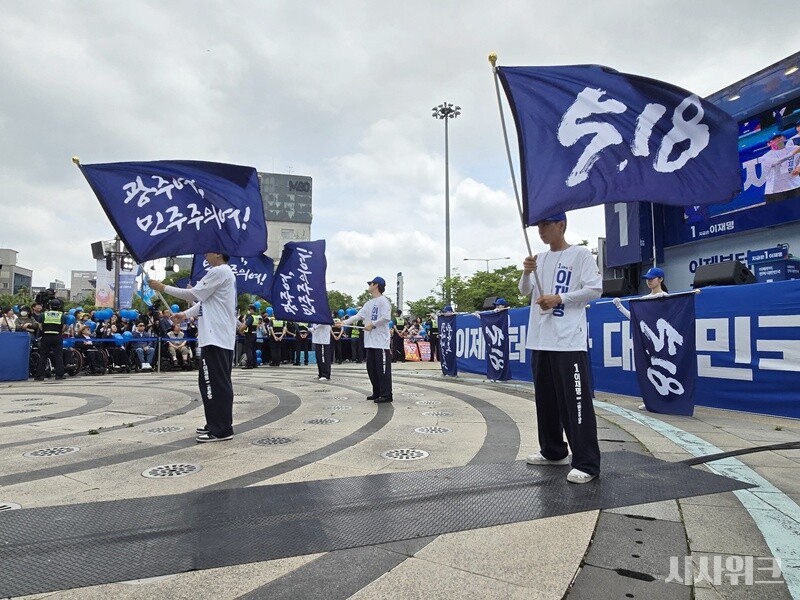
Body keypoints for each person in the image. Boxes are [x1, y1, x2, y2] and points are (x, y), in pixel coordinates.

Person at [518, 212, 603, 484]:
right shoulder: (539, 259)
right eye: (538, 226)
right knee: (546, 400)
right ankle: (553, 451)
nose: (541, 230)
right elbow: (523, 291)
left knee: (574, 401)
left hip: (568, 341)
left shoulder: (580, 256)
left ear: (561, 225)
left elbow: (594, 289)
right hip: (541, 339)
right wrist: (526, 272)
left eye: (546, 225)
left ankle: (587, 463)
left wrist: (560, 298)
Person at [150, 252, 237, 443]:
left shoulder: (220, 271)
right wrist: (185, 314)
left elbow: (193, 294)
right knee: (208, 383)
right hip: (214, 337)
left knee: (215, 384)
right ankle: (214, 422)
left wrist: (163, 287)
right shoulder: (222, 272)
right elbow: (205, 302)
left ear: (218, 253)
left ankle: (221, 429)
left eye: (208, 251)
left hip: (216, 338)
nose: (205, 254)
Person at [612, 266, 669, 411]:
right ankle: (650, 400)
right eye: (647, 279)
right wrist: (620, 307)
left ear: (660, 279)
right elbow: (635, 318)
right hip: (647, 339)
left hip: (662, 339)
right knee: (649, 369)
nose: (649, 281)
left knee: (664, 369)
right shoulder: (644, 299)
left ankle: (667, 400)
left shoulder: (666, 298)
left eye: (652, 278)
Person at [341, 276, 393, 402]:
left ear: (376, 285)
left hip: (381, 343)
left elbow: (386, 317)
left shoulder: (383, 301)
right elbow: (359, 315)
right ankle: (377, 392)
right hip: (370, 342)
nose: (369, 286)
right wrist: (344, 322)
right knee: (372, 369)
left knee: (382, 370)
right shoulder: (368, 303)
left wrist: (372, 324)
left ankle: (386, 394)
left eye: (371, 284)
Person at [761, 133, 800, 203]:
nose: (778, 140)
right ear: (769, 144)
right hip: (775, 191)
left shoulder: (794, 148)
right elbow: (776, 162)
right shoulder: (766, 157)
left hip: (795, 186)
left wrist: (798, 167)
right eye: (774, 139)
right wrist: (792, 153)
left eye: (779, 137)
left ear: (784, 138)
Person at [35, 297, 67, 381]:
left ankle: (40, 375)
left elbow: (40, 326)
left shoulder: (43, 314)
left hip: (46, 336)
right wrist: (60, 332)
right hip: (57, 336)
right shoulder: (62, 316)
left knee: (43, 356)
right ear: (59, 306)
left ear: (50, 306)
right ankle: (59, 375)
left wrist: (45, 331)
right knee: (58, 356)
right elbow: (64, 327)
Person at [242, 304, 260, 368]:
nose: (248, 311)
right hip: (254, 334)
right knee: (253, 349)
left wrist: (241, 330)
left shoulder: (250, 317)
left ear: (252, 310)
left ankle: (249, 364)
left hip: (249, 334)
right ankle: (254, 363)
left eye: (249, 309)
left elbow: (245, 326)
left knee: (248, 349)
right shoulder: (256, 317)